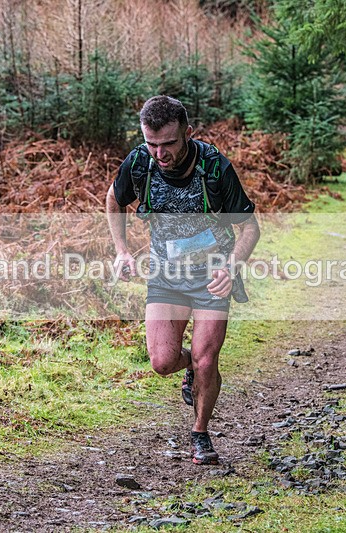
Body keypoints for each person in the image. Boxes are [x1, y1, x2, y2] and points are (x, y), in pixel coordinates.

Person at [106, 95, 260, 465]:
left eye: (168, 144)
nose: (160, 153)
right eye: (151, 143)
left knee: (207, 360)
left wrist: (232, 267)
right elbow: (113, 200)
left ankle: (200, 433)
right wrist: (122, 251)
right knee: (162, 362)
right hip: (167, 276)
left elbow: (250, 228)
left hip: (212, 277)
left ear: (187, 133)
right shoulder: (139, 162)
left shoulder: (214, 166)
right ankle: (190, 366)